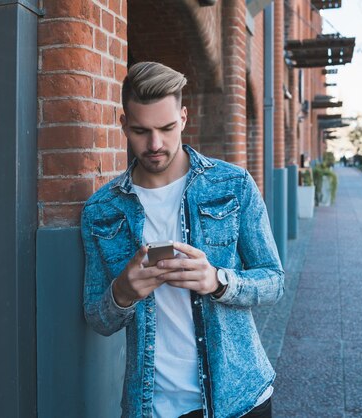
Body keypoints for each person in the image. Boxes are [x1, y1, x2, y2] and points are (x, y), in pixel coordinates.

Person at [81, 61, 284, 418]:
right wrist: (122, 293)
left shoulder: (232, 185)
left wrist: (218, 281)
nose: (155, 144)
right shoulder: (102, 210)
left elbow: (274, 281)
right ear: (123, 124)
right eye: (141, 130)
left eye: (167, 128)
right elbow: (97, 318)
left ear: (184, 118)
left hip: (239, 399)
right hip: (152, 406)